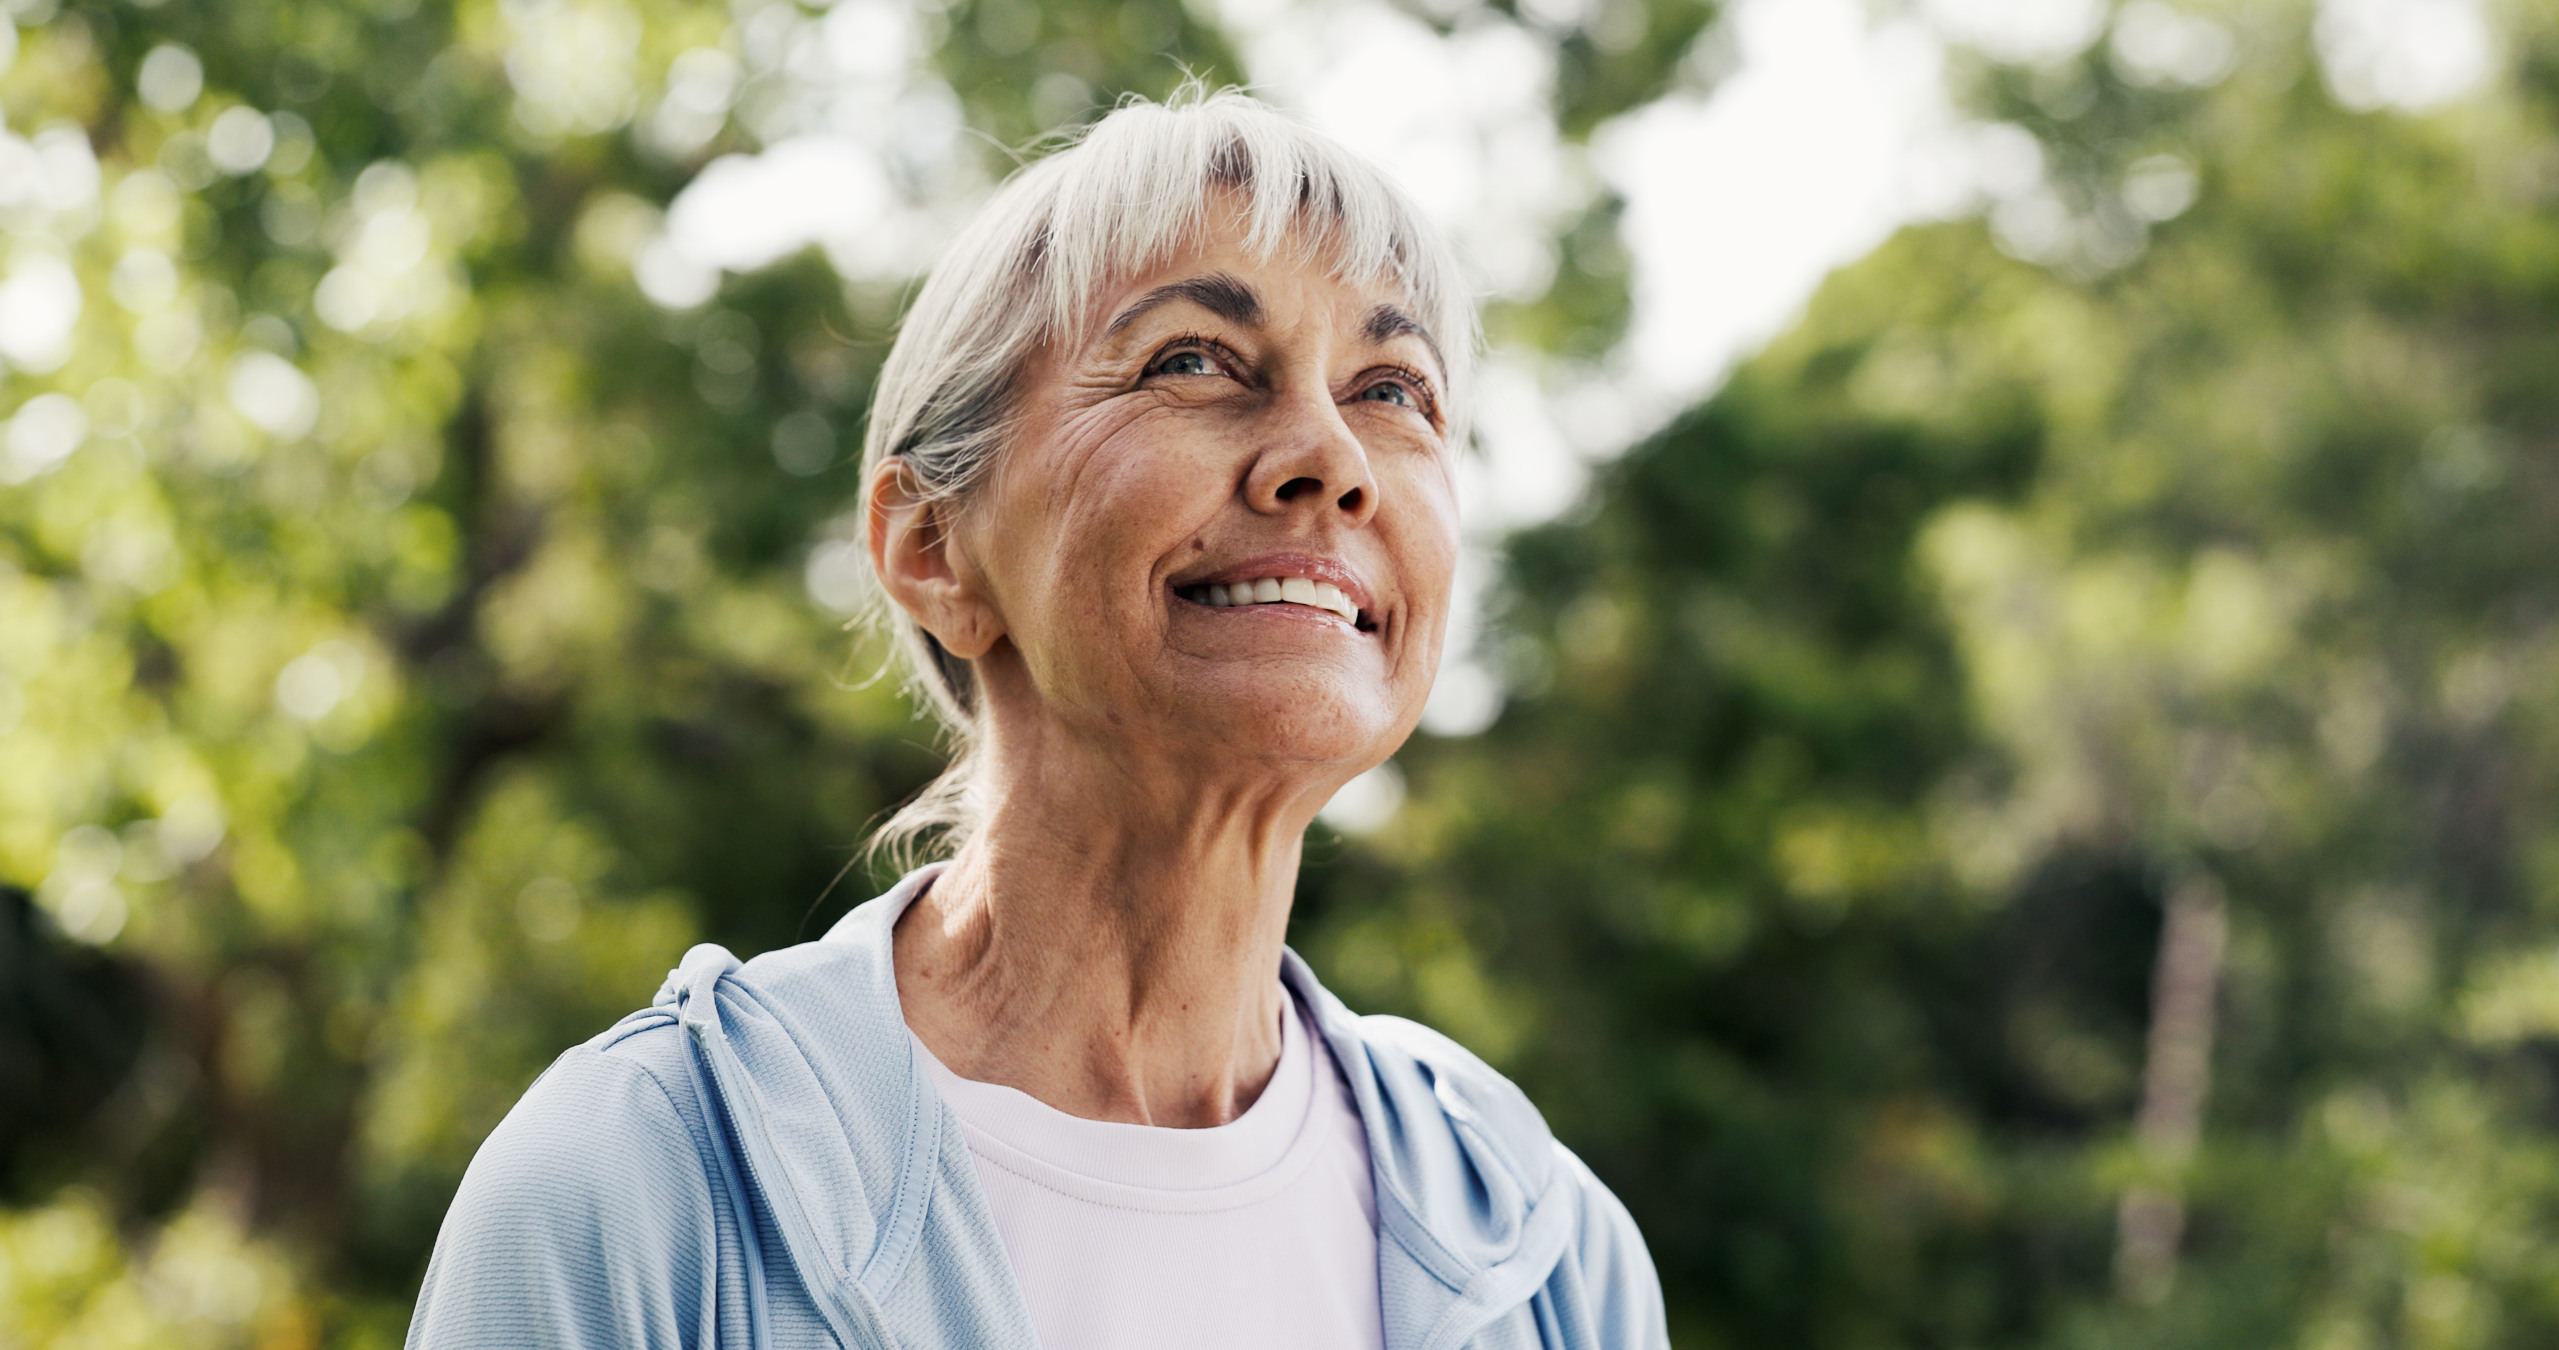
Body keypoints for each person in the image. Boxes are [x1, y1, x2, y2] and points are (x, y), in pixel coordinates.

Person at [405, 87, 1666, 1350]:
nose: (1328, 455)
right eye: (1194, 361)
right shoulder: (638, 1185)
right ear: (931, 548)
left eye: (1393, 390)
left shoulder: (1551, 1254)